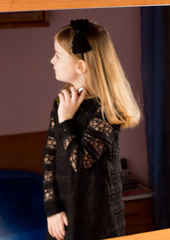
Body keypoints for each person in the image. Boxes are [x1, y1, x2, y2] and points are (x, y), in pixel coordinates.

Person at [42, 19, 141, 240]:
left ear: (80, 66)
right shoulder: (62, 102)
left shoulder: (107, 109)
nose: (51, 60)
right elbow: (49, 158)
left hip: (98, 219)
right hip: (64, 216)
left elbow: (81, 160)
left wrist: (65, 120)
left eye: (57, 55)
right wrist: (52, 209)